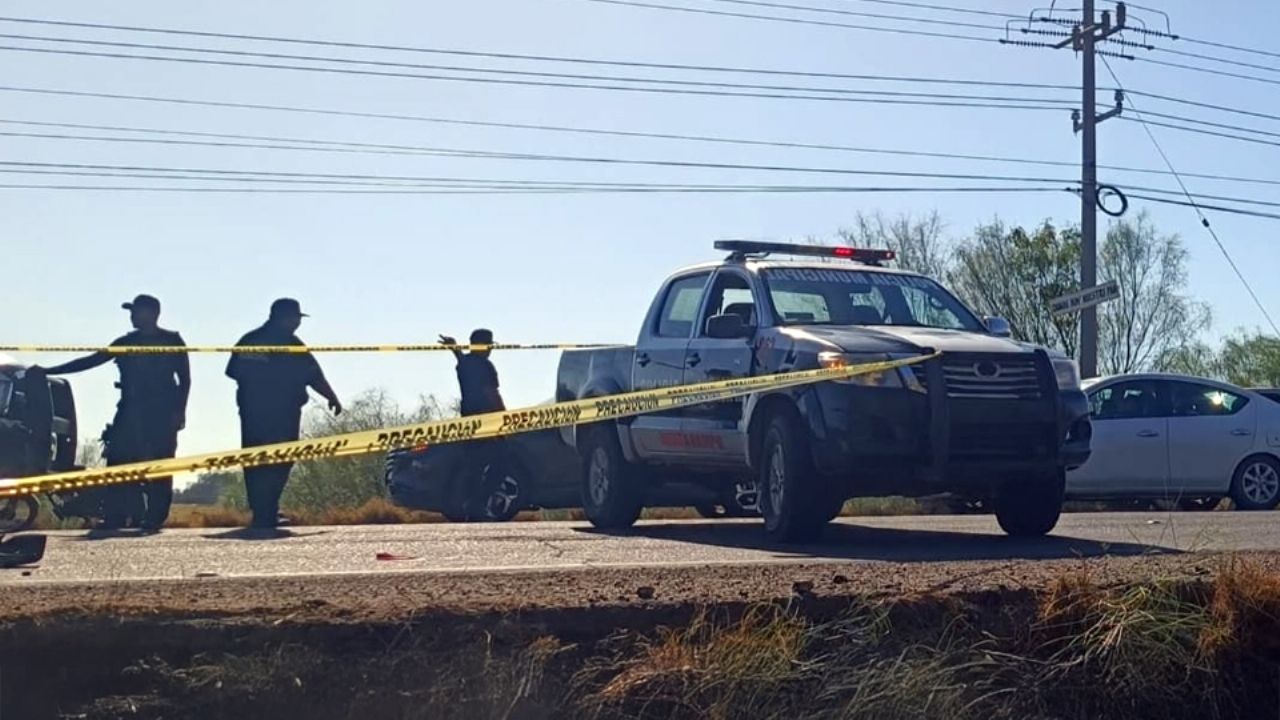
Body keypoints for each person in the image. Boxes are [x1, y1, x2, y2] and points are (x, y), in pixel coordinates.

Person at [42, 294, 190, 531]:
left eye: (136, 312)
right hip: (130, 410)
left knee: (160, 466)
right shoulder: (125, 342)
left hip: (161, 413)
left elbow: (185, 380)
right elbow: (91, 361)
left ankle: (154, 518)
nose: (132, 317)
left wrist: (179, 411)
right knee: (118, 462)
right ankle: (116, 515)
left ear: (152, 313)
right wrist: (49, 370)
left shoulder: (172, 341)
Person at [226, 298, 342, 529]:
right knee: (271, 460)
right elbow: (234, 371)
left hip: (260, 412)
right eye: (295, 318)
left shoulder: (259, 340)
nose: (297, 322)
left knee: (266, 461)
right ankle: (264, 511)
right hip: (273, 412)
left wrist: (331, 396)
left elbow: (313, 375)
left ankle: (265, 510)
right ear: (284, 317)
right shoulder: (262, 342)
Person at [438, 329, 507, 517]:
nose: (491, 348)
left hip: (468, 423)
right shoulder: (486, 366)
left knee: (473, 468)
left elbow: (461, 358)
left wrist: (454, 348)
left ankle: (471, 505)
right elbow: (491, 393)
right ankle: (479, 503)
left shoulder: (465, 364)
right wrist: (504, 420)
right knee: (501, 464)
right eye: (490, 344)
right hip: (487, 422)